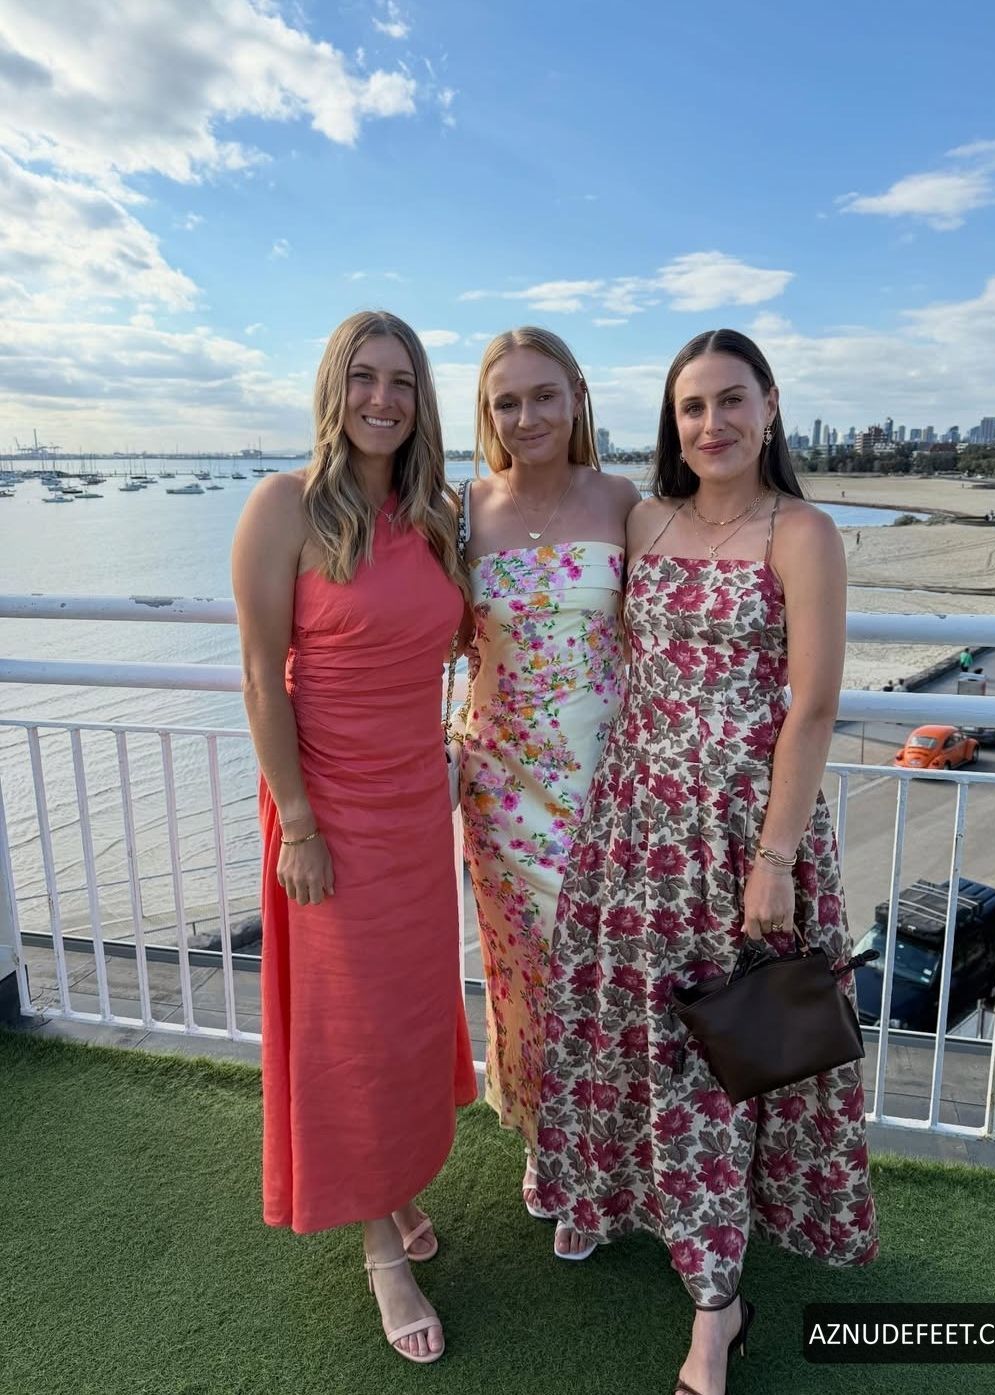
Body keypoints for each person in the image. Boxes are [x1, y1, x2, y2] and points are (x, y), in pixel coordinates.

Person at [536, 329, 878, 1395]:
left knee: (724, 1055)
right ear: (671, 422)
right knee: (635, 1036)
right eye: (693, 406)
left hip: (741, 835)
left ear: (771, 407)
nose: (713, 423)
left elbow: (812, 707)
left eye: (733, 400)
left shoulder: (803, 532)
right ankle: (617, 1200)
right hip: (634, 826)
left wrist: (774, 859)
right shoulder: (645, 518)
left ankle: (716, 1306)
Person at [232, 311, 476, 1366]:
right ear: (335, 388)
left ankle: (397, 1186)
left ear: (422, 401)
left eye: (403, 382)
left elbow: (465, 643)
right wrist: (297, 823)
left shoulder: (436, 516)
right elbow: (260, 676)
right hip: (325, 809)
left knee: (409, 1013)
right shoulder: (282, 506)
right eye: (365, 378)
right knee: (352, 1026)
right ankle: (381, 1247)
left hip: (417, 804)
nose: (384, 398)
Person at [457, 326, 638, 1253]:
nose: (526, 416)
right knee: (525, 978)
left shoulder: (624, 499)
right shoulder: (462, 509)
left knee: (602, 979)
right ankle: (546, 1145)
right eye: (506, 401)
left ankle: (604, 1157)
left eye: (543, 395)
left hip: (607, 784)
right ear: (487, 414)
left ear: (577, 397)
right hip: (498, 785)